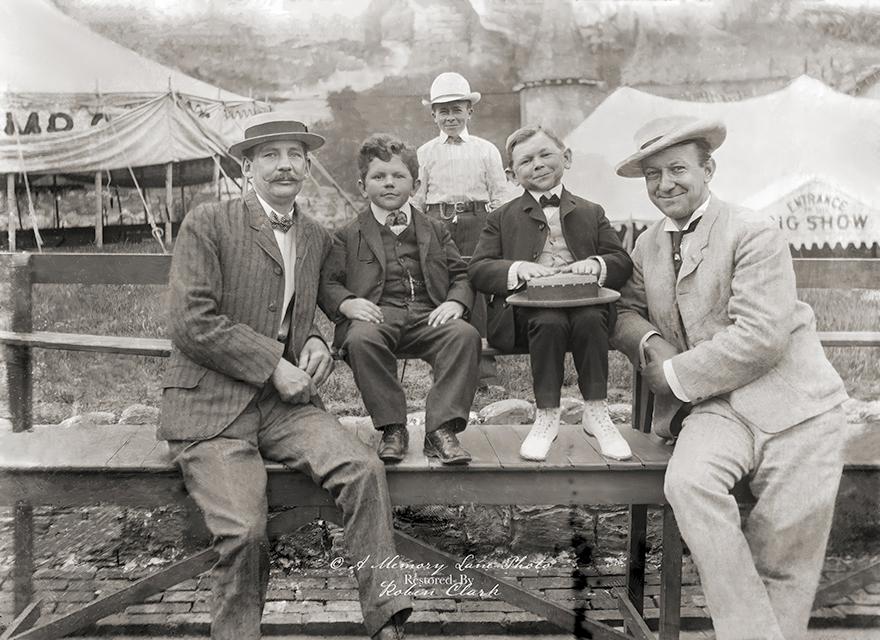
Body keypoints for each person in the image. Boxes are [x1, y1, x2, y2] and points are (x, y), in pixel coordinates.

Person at [159, 113, 411, 640]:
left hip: (282, 409)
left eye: (295, 154)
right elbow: (191, 322)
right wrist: (275, 363)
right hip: (211, 407)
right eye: (270, 155)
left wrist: (317, 337)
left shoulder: (317, 236)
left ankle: (387, 619)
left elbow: (316, 305)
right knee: (245, 532)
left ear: (306, 166)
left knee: (364, 470)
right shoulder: (208, 222)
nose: (285, 165)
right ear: (246, 167)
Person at [612, 115, 850, 639]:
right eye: (653, 175)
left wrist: (672, 372)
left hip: (799, 407)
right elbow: (623, 311)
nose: (665, 184)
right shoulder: (648, 244)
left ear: (708, 169)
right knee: (688, 482)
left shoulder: (753, 230)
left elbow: (761, 337)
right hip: (716, 409)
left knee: (783, 547)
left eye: (678, 169)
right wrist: (651, 342)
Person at [469, 125, 633, 461]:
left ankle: (596, 412)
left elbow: (621, 261)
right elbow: (479, 268)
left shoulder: (591, 211)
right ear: (511, 175)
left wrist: (597, 263)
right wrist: (517, 270)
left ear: (566, 157)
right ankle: (546, 414)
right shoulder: (501, 218)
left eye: (546, 154)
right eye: (526, 161)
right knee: (548, 321)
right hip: (527, 315)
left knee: (590, 317)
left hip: (584, 304)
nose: (538, 164)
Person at [319, 133, 480, 465]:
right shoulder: (348, 235)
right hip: (378, 314)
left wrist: (456, 303)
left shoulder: (435, 229)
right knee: (361, 339)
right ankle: (393, 427)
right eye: (378, 177)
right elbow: (328, 282)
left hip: (429, 313)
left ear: (416, 184)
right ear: (363, 186)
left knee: (464, 335)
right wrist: (347, 303)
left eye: (398, 176)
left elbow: (461, 274)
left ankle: (441, 430)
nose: (389, 184)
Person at [413, 71, 510, 385]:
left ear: (470, 111)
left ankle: (484, 369)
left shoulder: (485, 149)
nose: (450, 117)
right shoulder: (425, 153)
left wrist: (498, 231)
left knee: (478, 287)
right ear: (433, 115)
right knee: (440, 286)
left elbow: (499, 195)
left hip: (477, 222)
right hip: (436, 223)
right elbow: (417, 196)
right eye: (443, 110)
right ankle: (444, 364)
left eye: (457, 109)